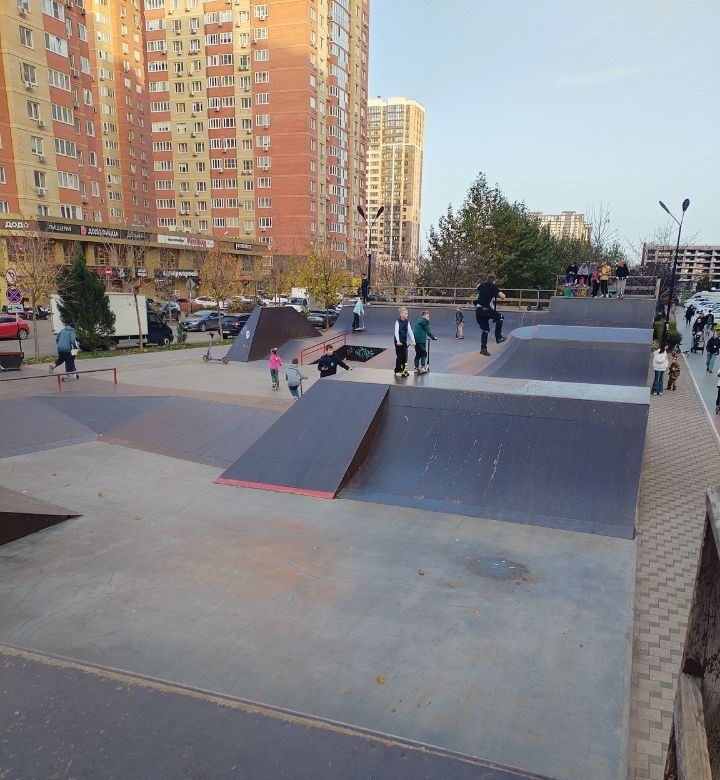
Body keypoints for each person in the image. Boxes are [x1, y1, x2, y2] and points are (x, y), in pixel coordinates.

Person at [474, 275, 506, 357]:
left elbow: (477, 286)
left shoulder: (482, 285)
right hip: (485, 310)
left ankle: (483, 349)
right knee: (501, 317)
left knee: (485, 329)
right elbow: (503, 297)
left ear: (487, 280)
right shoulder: (494, 287)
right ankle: (498, 337)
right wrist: (498, 291)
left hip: (478, 311)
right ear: (494, 281)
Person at [393, 306, 416, 376]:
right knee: (399, 356)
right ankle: (397, 370)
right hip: (398, 341)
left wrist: (413, 340)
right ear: (401, 314)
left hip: (403, 341)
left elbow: (410, 331)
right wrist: (398, 341)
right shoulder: (397, 322)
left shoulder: (407, 322)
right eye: (405, 313)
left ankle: (404, 369)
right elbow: (396, 332)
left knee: (405, 356)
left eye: (407, 313)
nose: (407, 315)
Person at [413, 310, 437, 374]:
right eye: (427, 317)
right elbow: (428, 332)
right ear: (423, 316)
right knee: (423, 353)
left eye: (428, 317)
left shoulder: (418, 321)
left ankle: (416, 368)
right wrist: (433, 337)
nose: (428, 318)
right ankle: (422, 367)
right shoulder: (424, 321)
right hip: (421, 340)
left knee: (418, 354)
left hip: (415, 340)